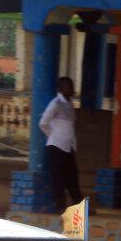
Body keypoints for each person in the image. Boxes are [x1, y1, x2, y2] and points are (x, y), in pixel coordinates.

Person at [38, 76, 82, 213]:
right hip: (56, 146)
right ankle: (60, 206)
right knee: (58, 178)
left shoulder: (70, 104)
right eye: (68, 87)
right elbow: (43, 123)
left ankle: (78, 207)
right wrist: (53, 135)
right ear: (61, 88)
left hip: (68, 146)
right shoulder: (55, 103)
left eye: (72, 86)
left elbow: (71, 126)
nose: (72, 90)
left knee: (72, 177)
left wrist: (73, 143)